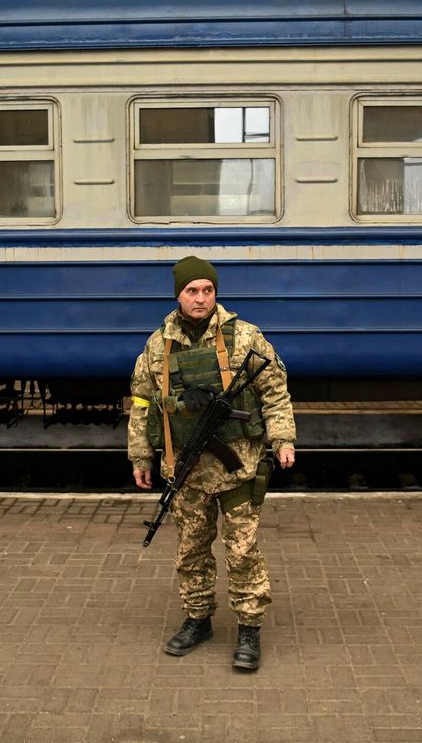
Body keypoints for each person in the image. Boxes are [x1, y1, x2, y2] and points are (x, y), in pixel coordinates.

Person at [128, 255, 296, 671]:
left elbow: (275, 391)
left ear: (215, 293)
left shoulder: (246, 337)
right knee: (191, 551)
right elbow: (141, 402)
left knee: (242, 552)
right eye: (192, 291)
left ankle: (249, 631)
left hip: (238, 466)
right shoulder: (158, 345)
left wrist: (284, 438)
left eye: (207, 290)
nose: (200, 298)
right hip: (185, 470)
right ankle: (198, 619)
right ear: (179, 295)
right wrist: (139, 454)